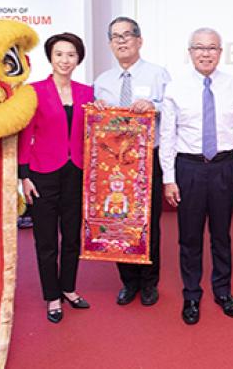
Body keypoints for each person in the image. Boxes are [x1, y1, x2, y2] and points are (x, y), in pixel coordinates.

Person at [160, 28, 233, 325]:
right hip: (189, 168)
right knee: (190, 236)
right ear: (190, 52)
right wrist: (169, 178)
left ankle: (223, 291)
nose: (205, 53)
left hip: (224, 166)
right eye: (199, 47)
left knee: (222, 234)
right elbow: (167, 136)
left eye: (212, 48)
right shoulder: (175, 88)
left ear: (220, 52)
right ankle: (191, 294)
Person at [94, 16, 170, 307]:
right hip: (113, 163)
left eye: (127, 35)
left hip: (148, 158)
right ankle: (128, 281)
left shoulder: (158, 74)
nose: (122, 41)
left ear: (139, 40)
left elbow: (172, 110)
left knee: (148, 222)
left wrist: (153, 106)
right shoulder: (102, 81)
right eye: (116, 36)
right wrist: (96, 109)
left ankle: (149, 282)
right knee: (119, 220)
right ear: (110, 44)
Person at [19, 32, 94, 323]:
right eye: (59, 54)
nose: (65, 60)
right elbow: (25, 136)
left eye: (71, 54)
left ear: (78, 59)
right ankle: (52, 295)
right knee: (46, 239)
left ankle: (69, 288)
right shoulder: (33, 92)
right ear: (50, 57)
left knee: (72, 237)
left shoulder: (87, 93)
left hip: (77, 172)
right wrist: (24, 176)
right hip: (42, 174)